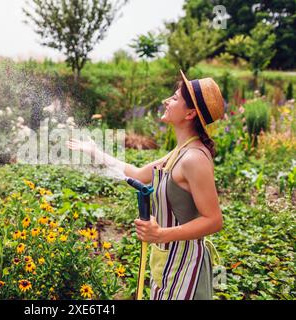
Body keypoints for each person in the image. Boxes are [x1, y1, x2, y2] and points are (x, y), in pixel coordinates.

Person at [67, 70, 225, 300]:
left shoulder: (194, 158)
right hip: (169, 266)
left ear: (190, 113)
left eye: (174, 98)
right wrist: (95, 152)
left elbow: (213, 220)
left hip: (187, 270)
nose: (166, 101)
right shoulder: (180, 153)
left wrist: (161, 234)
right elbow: (139, 175)